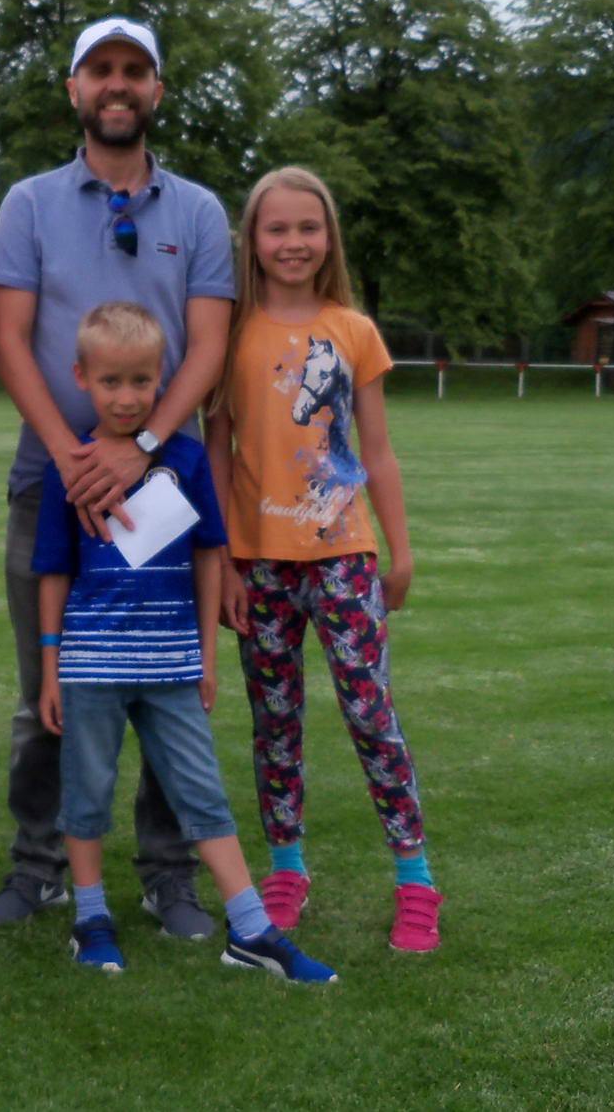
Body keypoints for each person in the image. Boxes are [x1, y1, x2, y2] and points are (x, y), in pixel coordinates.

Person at [0, 17, 233, 938]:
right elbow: (9, 340)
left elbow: (208, 344)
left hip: (166, 488)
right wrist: (76, 456)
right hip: (51, 480)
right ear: (75, 88)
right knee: (47, 689)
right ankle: (40, 864)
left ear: (156, 89)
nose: (117, 84)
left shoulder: (199, 211)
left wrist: (145, 444)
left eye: (135, 70)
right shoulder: (29, 203)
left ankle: (171, 876)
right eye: (101, 69)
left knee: (167, 681)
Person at [37, 301, 338, 984]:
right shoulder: (72, 466)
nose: (127, 397)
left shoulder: (188, 457)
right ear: (82, 377)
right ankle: (91, 920)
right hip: (91, 664)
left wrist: (205, 655)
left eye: (141, 381)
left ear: (163, 378)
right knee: (87, 793)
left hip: (173, 665)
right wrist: (51, 666)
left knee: (203, 795)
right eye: (110, 381)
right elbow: (53, 570)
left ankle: (252, 930)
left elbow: (208, 556)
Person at [205, 167, 441, 952]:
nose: (294, 242)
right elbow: (215, 452)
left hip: (343, 556)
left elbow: (378, 449)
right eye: (277, 228)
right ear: (252, 239)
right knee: (275, 722)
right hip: (258, 564)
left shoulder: (353, 330)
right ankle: (286, 867)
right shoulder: (229, 333)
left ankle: (415, 878)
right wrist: (224, 563)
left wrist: (400, 552)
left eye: (308, 227)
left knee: (370, 712)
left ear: (329, 237)